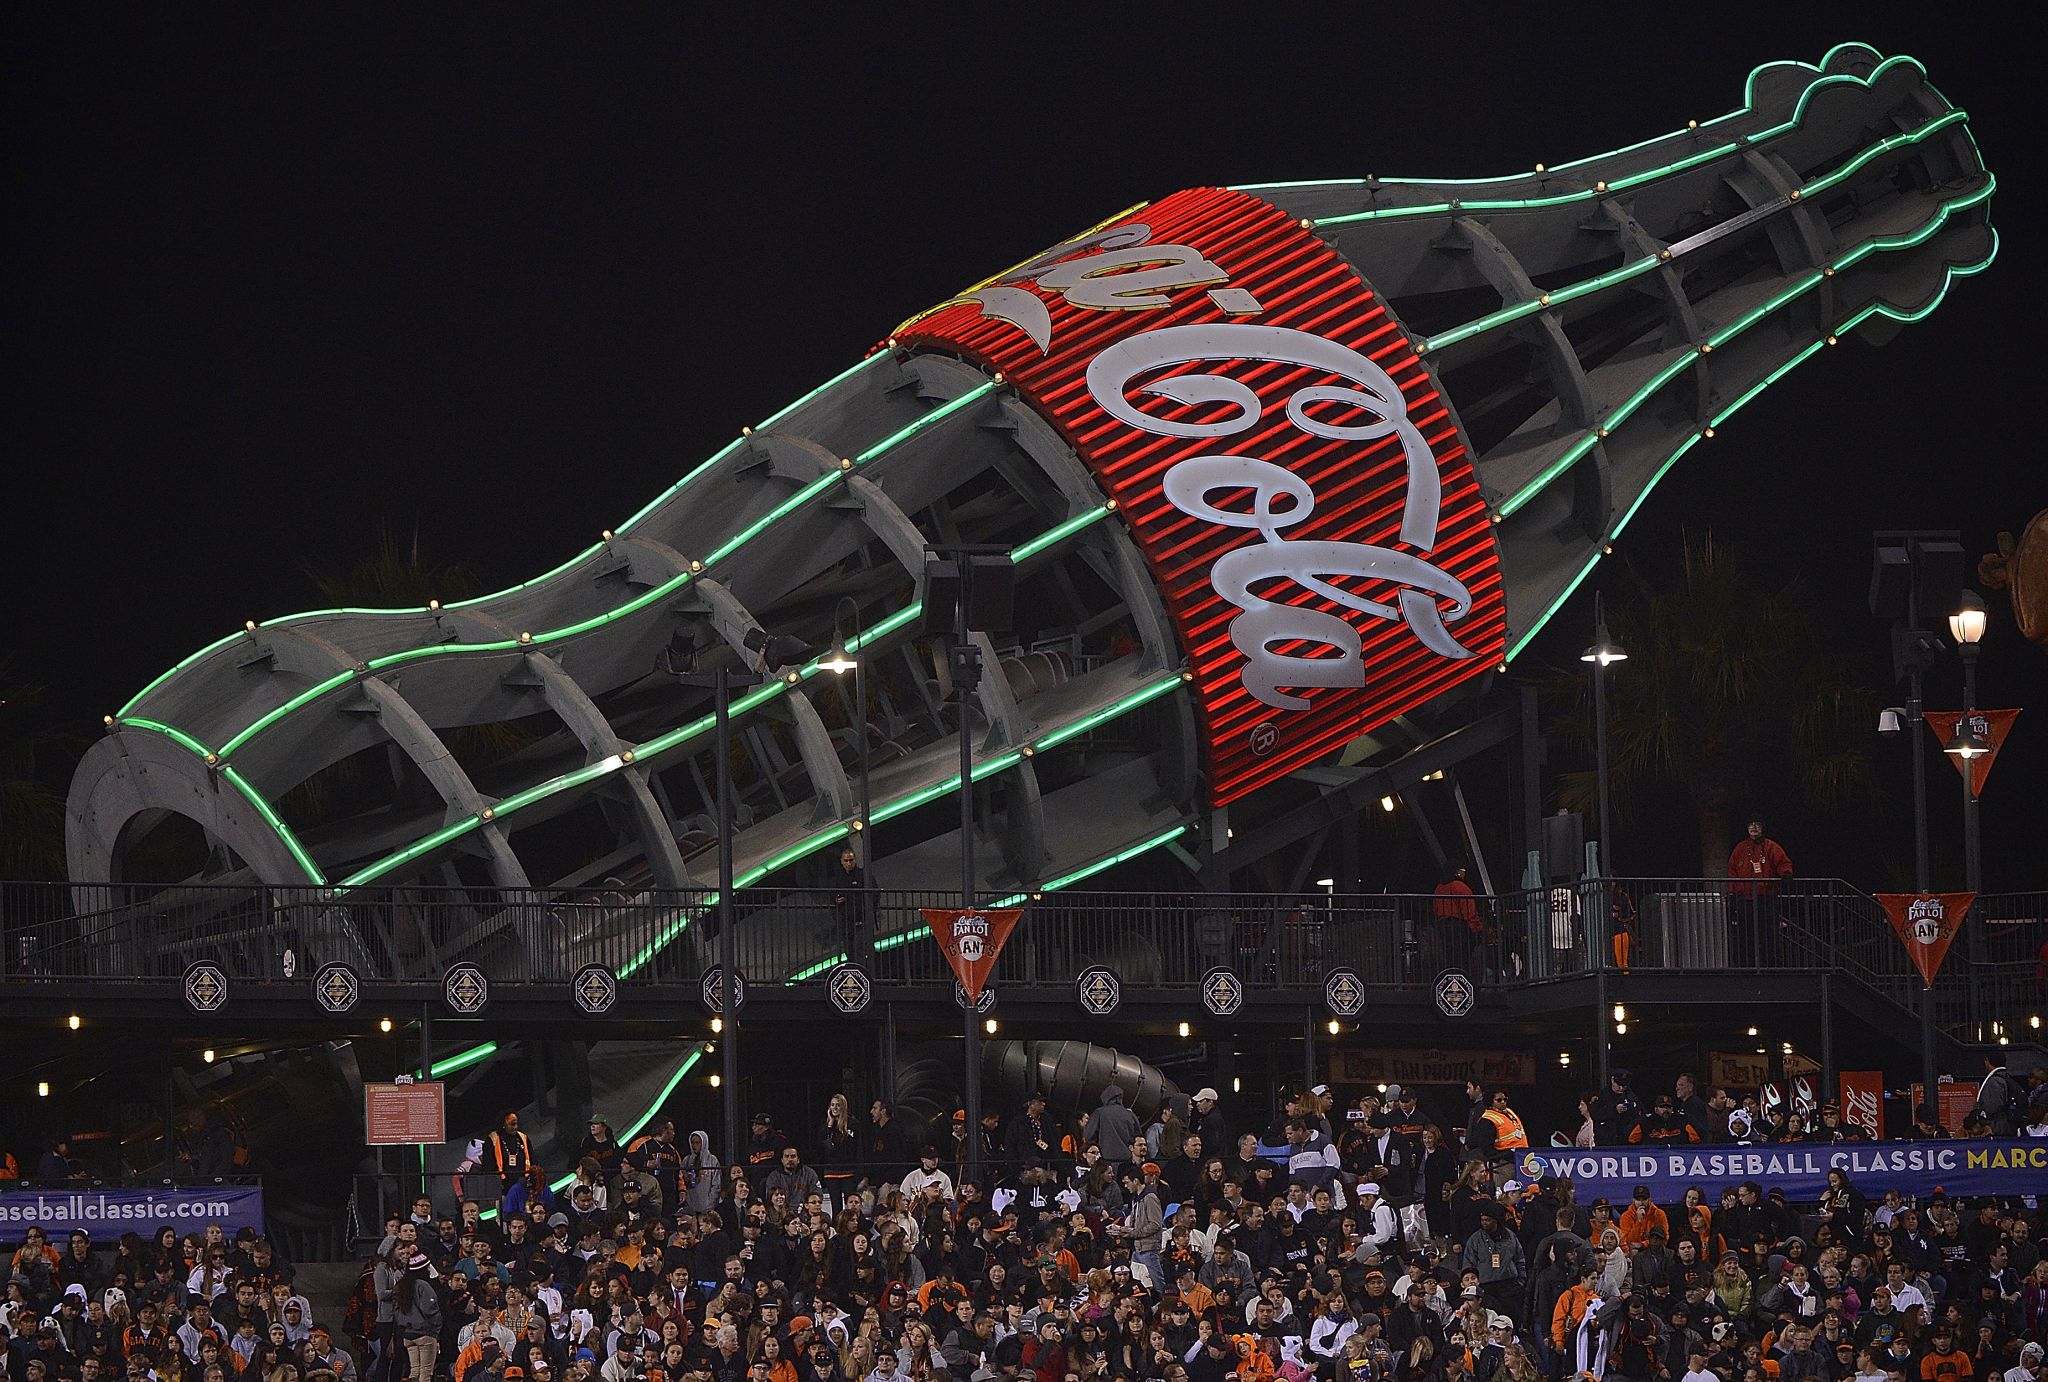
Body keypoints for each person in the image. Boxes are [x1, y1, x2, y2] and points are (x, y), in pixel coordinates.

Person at [1727, 816, 1792, 966]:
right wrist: (1732, 893)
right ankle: (1745, 967)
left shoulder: (1771, 847)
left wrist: (1786, 874)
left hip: (1766, 899)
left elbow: (1783, 862)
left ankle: (1772, 967)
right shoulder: (1740, 848)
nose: (1754, 828)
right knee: (1744, 936)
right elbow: (1732, 872)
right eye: (1750, 824)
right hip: (1745, 900)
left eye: (1757, 824)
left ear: (1763, 828)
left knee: (1769, 935)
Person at [832, 848, 875, 969]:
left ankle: (860, 976)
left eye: (851, 860)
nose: (849, 863)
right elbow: (832, 896)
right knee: (850, 952)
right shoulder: (838, 879)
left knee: (859, 950)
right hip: (846, 922)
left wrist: (868, 910)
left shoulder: (863, 876)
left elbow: (874, 895)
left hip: (861, 920)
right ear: (842, 861)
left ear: (855, 860)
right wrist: (836, 900)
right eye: (846, 860)